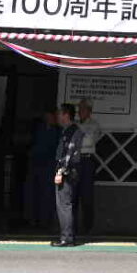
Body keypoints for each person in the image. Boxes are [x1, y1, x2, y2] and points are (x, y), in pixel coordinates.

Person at [68, 99, 103, 239]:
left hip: (87, 160)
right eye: (79, 109)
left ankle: (88, 227)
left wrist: (77, 140)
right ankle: (73, 226)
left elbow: (89, 141)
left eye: (83, 109)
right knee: (73, 194)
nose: (80, 111)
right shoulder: (74, 125)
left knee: (87, 195)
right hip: (75, 160)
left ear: (89, 111)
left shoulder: (94, 125)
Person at [49, 104, 83, 246]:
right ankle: (67, 236)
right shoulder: (69, 131)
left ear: (66, 115)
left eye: (59, 114)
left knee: (64, 205)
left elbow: (68, 154)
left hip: (67, 171)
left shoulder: (71, 132)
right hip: (70, 170)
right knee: (65, 204)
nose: (57, 116)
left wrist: (60, 171)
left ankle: (66, 238)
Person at [25, 105, 62, 229]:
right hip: (35, 164)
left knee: (46, 194)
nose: (49, 118)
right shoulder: (38, 128)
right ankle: (32, 219)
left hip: (49, 165)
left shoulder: (58, 131)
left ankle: (45, 221)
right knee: (33, 192)